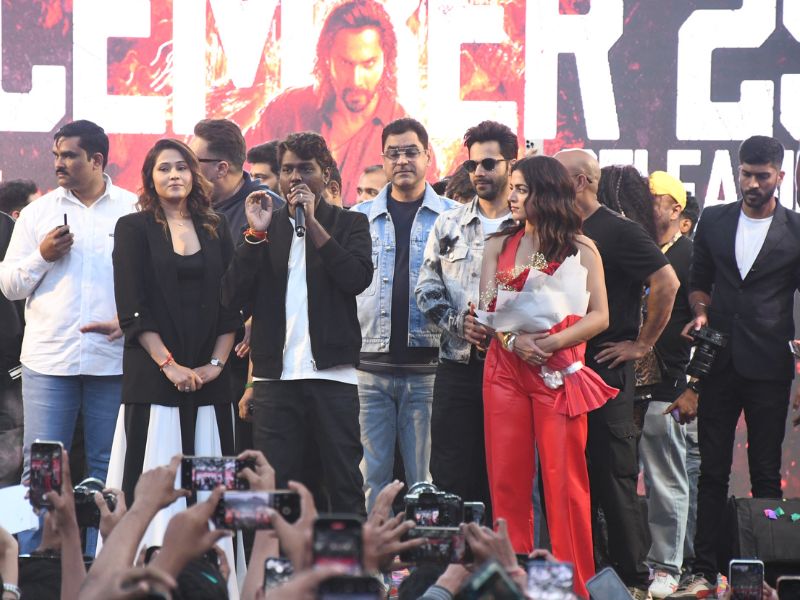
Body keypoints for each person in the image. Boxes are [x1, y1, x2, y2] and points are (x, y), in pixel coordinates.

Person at [668, 136, 800, 598]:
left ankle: (766, 576)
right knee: (711, 471)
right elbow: (698, 282)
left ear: (779, 176)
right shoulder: (715, 219)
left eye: (762, 176)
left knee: (766, 473)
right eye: (746, 174)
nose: (752, 183)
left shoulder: (795, 229)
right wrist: (701, 312)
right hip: (719, 362)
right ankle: (703, 570)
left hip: (769, 366)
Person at [479, 156, 615, 597]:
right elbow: (487, 309)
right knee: (507, 482)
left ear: (547, 194)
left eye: (522, 189)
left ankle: (574, 588)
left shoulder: (581, 247)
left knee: (564, 483)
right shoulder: (499, 244)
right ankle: (512, 585)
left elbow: (600, 316)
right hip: (505, 369)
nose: (513, 197)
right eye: (512, 188)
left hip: (558, 369)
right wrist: (512, 340)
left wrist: (552, 343)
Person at [0, 120, 137, 553]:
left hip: (112, 359)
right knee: (39, 469)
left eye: (69, 155)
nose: (58, 163)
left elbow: (152, 284)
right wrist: (42, 256)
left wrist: (130, 322)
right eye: (56, 155)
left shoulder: (133, 209)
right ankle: (30, 563)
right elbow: (9, 285)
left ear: (97, 160)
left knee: (106, 469)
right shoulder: (37, 213)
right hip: (48, 360)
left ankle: (100, 563)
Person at [221, 132, 372, 515]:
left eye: (306, 169)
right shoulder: (264, 228)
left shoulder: (350, 223)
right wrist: (255, 235)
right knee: (274, 488)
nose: (295, 178)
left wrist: (313, 224)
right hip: (275, 379)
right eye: (287, 170)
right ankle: (277, 556)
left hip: (333, 377)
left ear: (326, 175)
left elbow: (356, 278)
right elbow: (232, 297)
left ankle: (346, 555)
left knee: (342, 484)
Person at [554, 149, 678, 598]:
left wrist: (641, 344)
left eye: (556, 176)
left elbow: (667, 282)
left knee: (612, 473)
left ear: (580, 182)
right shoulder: (556, 229)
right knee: (572, 474)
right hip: (560, 367)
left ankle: (633, 578)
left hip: (604, 367)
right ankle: (586, 571)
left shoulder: (618, 229)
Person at [105, 139, 240, 532]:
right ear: (150, 178)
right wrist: (169, 365)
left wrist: (216, 364)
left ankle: (214, 566)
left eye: (181, 167)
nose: (174, 175)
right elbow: (132, 307)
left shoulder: (216, 226)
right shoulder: (132, 228)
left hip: (210, 380)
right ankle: (146, 563)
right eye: (164, 168)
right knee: (155, 484)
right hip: (153, 377)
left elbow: (231, 304)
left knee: (212, 493)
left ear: (194, 174)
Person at [415, 120, 517, 520]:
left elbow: (548, 286)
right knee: (450, 473)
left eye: (489, 163)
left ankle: (503, 553)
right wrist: (459, 323)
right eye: (472, 165)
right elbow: (426, 289)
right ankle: (454, 554)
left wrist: (507, 324)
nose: (479, 172)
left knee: (506, 473)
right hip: (457, 366)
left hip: (514, 368)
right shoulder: (449, 223)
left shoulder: (529, 225)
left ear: (511, 164)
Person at [352, 118, 456, 510]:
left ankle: (426, 552)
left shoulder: (453, 217)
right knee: (370, 481)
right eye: (393, 153)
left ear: (428, 156)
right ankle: (374, 551)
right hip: (368, 370)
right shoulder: (357, 217)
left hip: (429, 369)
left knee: (426, 484)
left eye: (411, 152)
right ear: (383, 159)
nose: (402, 160)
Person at [249, 0, 436, 205]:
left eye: (369, 63)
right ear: (326, 58)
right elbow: (242, 176)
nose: (356, 80)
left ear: (386, 60)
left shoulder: (410, 138)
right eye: (346, 63)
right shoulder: (286, 110)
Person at [636, 171, 693, 599]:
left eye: (653, 198)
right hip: (624, 384)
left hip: (670, 381)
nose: (646, 205)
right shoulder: (636, 246)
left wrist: (695, 384)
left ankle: (668, 566)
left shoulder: (690, 254)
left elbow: (708, 321)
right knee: (623, 477)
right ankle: (633, 559)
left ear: (676, 209)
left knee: (666, 478)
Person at [189, 119, 284, 240]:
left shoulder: (270, 210)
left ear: (221, 169)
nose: (186, 167)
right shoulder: (186, 205)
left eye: (192, 161)